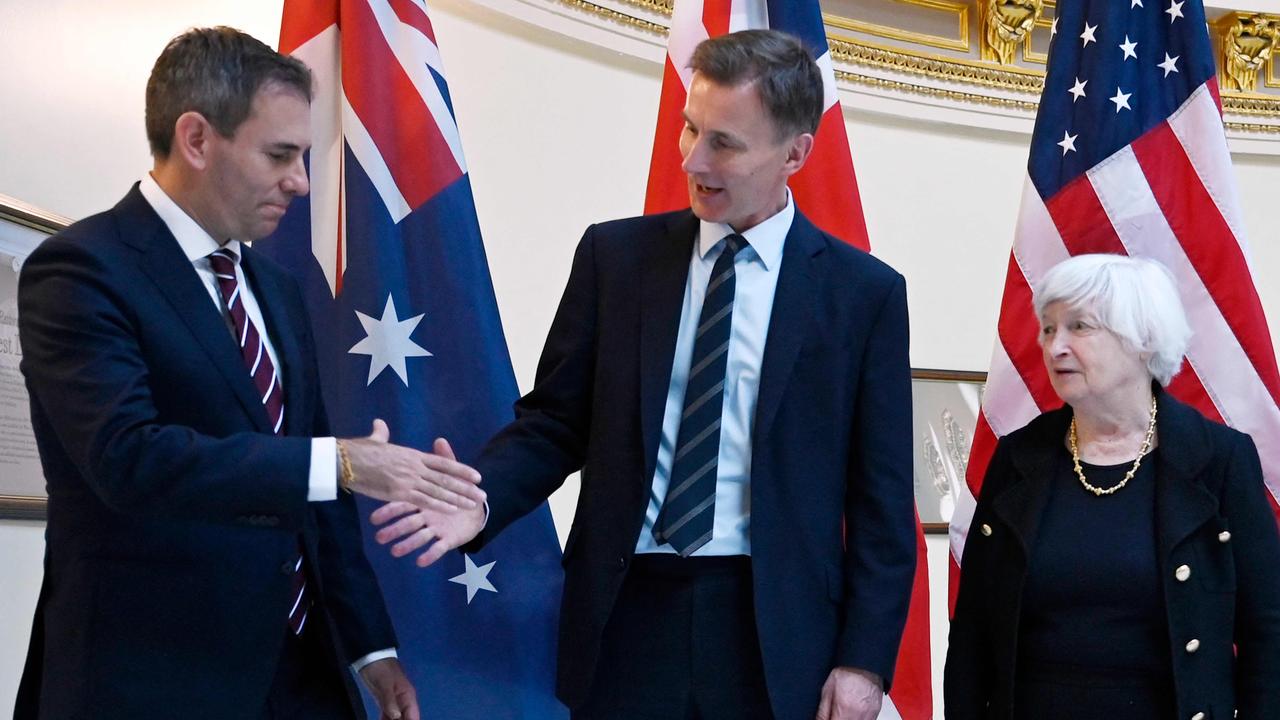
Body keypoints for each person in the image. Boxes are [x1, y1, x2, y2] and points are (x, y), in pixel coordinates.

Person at [371, 29, 917, 720]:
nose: (693, 159)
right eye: (691, 130)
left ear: (795, 153)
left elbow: (881, 502)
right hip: (628, 617)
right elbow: (554, 424)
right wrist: (481, 499)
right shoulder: (616, 259)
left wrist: (863, 660)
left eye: (724, 142)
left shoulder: (861, 294)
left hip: (776, 632)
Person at [13, 27, 485, 720]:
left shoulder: (276, 288)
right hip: (153, 680)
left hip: (301, 676)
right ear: (198, 139)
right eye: (280, 155)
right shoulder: (82, 270)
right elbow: (127, 459)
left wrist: (371, 651)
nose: (300, 181)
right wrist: (343, 464)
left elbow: (315, 489)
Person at [944, 253, 1280, 719]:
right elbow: (972, 635)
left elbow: (1268, 629)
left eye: (1079, 327)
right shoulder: (1019, 457)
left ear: (1143, 339)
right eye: (1048, 328)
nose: (1055, 346)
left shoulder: (1218, 460)